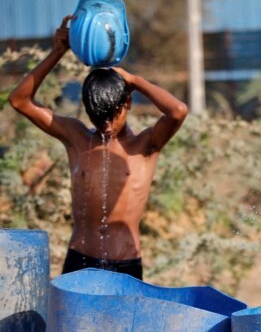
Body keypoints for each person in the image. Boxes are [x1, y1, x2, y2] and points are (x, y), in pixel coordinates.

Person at [9, 16, 188, 280]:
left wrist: (134, 80)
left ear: (127, 103)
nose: (104, 125)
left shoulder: (146, 145)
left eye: (110, 116)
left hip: (126, 265)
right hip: (79, 260)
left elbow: (178, 111)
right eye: (96, 117)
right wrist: (57, 52)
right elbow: (19, 100)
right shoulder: (76, 137)